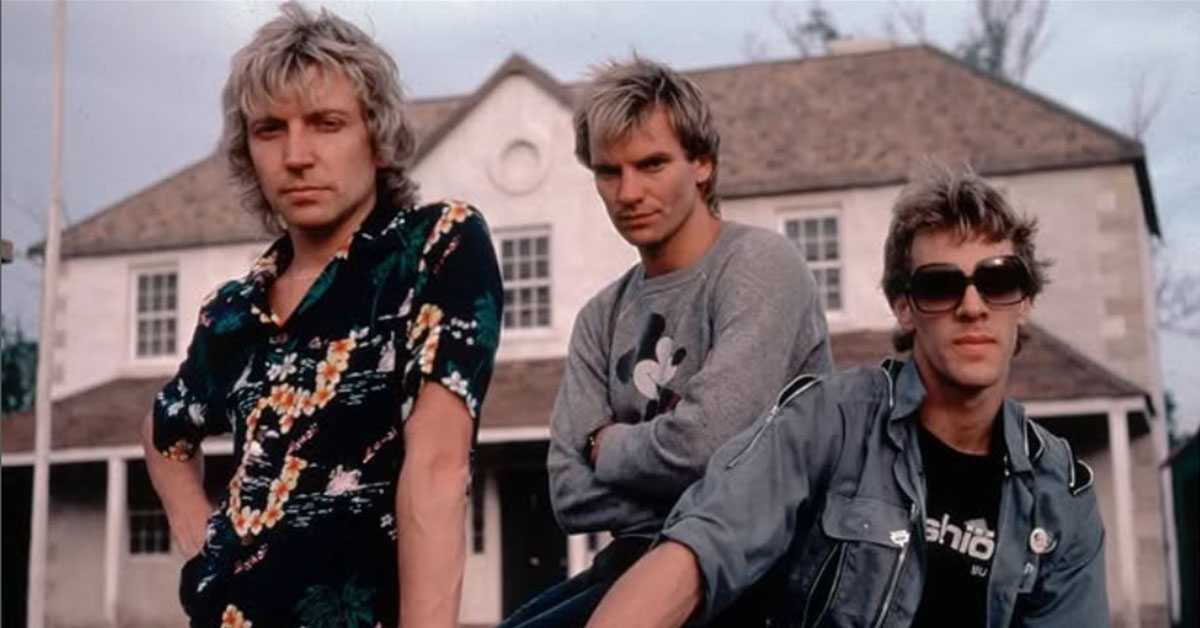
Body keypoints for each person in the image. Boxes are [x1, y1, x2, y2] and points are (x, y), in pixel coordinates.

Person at [588, 166, 1109, 628]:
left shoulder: (1061, 497)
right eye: (940, 286)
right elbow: (701, 552)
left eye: (998, 281)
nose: (972, 307)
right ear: (904, 307)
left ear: (1025, 301)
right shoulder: (827, 424)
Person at [140, 4, 503, 626]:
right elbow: (164, 432)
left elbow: (438, 469)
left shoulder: (434, 248)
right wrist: (205, 544)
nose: (296, 155)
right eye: (269, 130)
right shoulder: (233, 310)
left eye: (326, 123)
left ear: (376, 136)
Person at [500, 57, 833, 628]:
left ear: (702, 163)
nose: (629, 192)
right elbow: (568, 493)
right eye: (609, 171)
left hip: (756, 573)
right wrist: (702, 482)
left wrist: (610, 447)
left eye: (652, 164)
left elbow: (707, 441)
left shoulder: (759, 266)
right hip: (631, 562)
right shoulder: (600, 316)